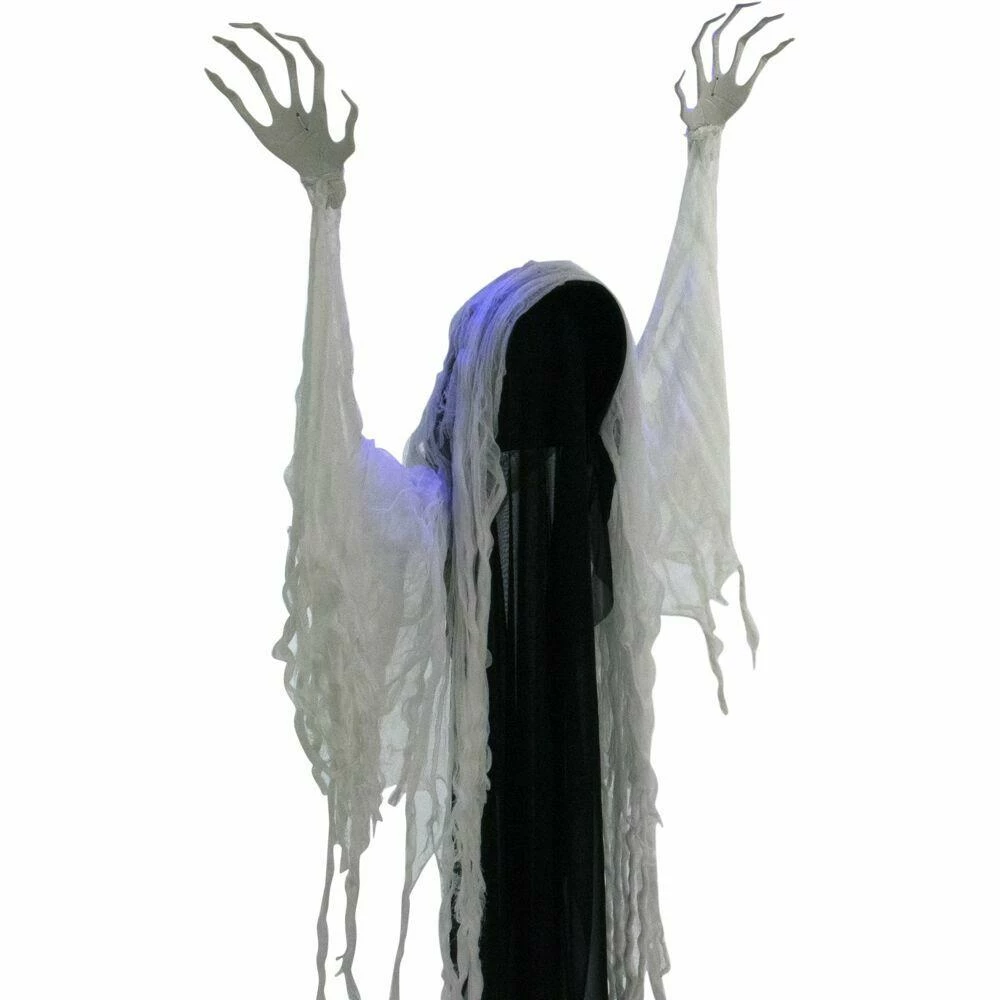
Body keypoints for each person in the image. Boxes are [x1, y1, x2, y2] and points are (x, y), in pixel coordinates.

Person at [205, 7, 791, 1000]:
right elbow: (329, 476)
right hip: (505, 830)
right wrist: (323, 213)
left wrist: (704, 159)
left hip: (575, 815)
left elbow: (677, 362)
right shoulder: (438, 523)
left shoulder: (598, 500)